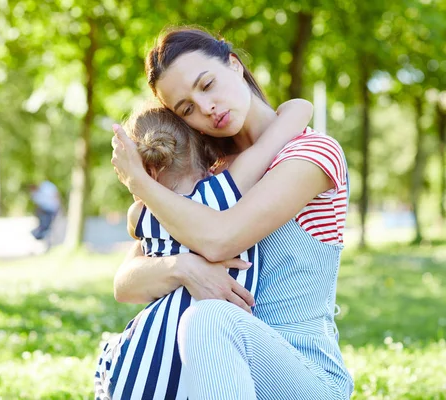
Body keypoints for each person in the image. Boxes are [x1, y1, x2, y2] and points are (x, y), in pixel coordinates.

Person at [110, 27, 354, 400]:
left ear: (235, 66)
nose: (206, 107)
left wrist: (140, 184)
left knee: (207, 319)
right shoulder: (206, 177)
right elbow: (126, 282)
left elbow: (220, 238)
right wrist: (181, 268)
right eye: (187, 109)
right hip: (217, 376)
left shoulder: (312, 153)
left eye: (207, 85)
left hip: (304, 376)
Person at [95, 100, 313, 399]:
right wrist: (297, 106)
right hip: (203, 361)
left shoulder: (142, 215)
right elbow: (292, 118)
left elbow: (136, 231)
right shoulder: (229, 190)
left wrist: (139, 182)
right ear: (204, 148)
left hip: (138, 364)